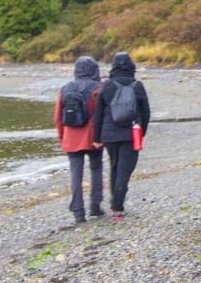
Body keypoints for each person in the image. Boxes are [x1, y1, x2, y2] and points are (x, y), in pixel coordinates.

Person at [94, 52, 150, 220]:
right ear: (131, 66)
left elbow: (98, 115)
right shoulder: (137, 85)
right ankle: (117, 206)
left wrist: (97, 137)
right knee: (125, 170)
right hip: (131, 133)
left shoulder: (107, 85)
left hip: (109, 135)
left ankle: (115, 203)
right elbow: (146, 112)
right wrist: (142, 133)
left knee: (115, 167)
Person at [54, 55, 105, 223]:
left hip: (71, 137)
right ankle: (95, 207)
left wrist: (63, 137)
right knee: (96, 169)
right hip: (93, 136)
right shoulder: (99, 88)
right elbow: (102, 115)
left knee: (75, 174)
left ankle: (78, 212)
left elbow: (58, 118)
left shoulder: (65, 89)